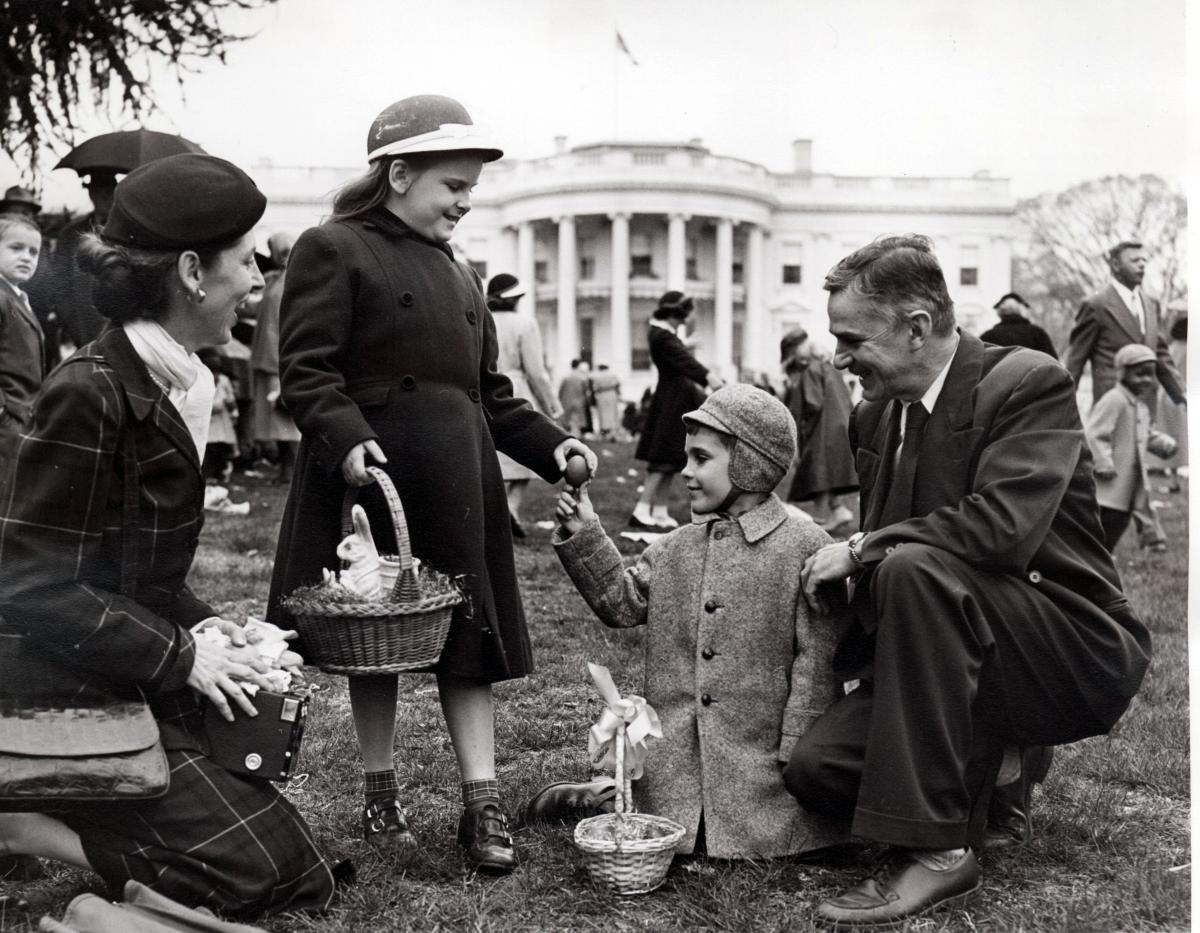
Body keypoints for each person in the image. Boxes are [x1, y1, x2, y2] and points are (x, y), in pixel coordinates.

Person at [266, 95, 595, 873]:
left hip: (457, 478)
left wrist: (557, 448)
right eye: (453, 183)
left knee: (468, 642)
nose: (466, 199)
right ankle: (380, 796)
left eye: (472, 186)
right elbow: (307, 373)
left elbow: (492, 393)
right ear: (400, 172)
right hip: (372, 482)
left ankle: (481, 802)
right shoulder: (333, 247)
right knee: (374, 638)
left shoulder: (461, 271)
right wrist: (348, 441)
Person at [0, 153, 335, 916]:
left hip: (121, 670)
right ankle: (27, 823)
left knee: (298, 865)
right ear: (191, 271)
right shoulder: (91, 389)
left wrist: (201, 621)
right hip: (62, 693)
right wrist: (184, 657)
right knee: (258, 872)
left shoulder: (167, 375)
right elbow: (30, 585)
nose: (257, 280)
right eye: (246, 261)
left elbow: (127, 565)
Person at [789, 235, 1151, 928]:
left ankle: (942, 847)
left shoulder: (1025, 381)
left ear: (918, 326)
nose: (838, 355)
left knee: (912, 565)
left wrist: (863, 547)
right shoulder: (875, 413)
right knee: (818, 769)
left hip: (1063, 642)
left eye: (850, 336)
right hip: (953, 643)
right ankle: (995, 772)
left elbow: (1000, 530)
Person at [530, 385, 843, 858]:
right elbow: (621, 603)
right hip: (674, 769)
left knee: (781, 835)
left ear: (749, 464)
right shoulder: (677, 547)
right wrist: (584, 534)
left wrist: (797, 758)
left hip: (764, 774)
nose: (686, 472)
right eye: (687, 458)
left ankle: (608, 793)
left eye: (701, 458)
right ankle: (610, 792)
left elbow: (816, 663)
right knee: (663, 817)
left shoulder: (806, 548)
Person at [631, 291, 723, 530]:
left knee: (671, 458)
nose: (686, 319)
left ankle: (659, 510)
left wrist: (685, 344)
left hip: (673, 398)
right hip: (671, 401)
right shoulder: (662, 336)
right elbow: (682, 359)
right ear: (677, 312)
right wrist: (709, 376)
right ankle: (642, 509)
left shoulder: (662, 334)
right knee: (662, 458)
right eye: (684, 314)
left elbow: (676, 352)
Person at [1064, 240, 1183, 411]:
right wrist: (1063, 404)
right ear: (1115, 265)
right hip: (1111, 405)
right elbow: (1076, 360)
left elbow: (1161, 355)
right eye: (1135, 261)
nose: (1142, 265)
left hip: (1147, 404)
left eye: (1144, 261)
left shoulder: (1151, 304)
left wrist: (1182, 394)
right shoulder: (1096, 305)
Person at [486, 272, 562, 538]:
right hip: (515, 390)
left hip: (484, 391)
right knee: (524, 455)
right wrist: (551, 404)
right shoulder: (524, 323)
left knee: (493, 457)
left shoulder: (482, 318)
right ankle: (512, 507)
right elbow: (536, 371)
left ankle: (497, 510)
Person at [1085, 344, 1176, 552]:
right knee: (1106, 521)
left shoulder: (1138, 405)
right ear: (1122, 372)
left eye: (1150, 375)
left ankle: (1105, 556)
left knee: (1121, 519)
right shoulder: (1113, 401)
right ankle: (1098, 557)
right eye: (1139, 374)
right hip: (1109, 482)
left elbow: (1145, 433)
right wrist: (1103, 462)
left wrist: (1164, 445)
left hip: (1128, 481)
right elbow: (1095, 433)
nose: (1146, 380)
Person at [779, 327, 857, 532]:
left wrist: (800, 426)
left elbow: (812, 403)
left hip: (824, 425)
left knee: (818, 469)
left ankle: (824, 514)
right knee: (826, 470)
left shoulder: (811, 369)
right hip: (838, 421)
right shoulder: (824, 364)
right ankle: (836, 510)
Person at [46, 170, 119, 350]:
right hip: (84, 325)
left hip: (124, 322)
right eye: (98, 192)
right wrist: (73, 323)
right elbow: (60, 282)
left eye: (109, 193)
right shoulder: (71, 234)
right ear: (90, 193)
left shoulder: (129, 230)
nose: (104, 198)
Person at [250, 232, 301, 484]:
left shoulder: (291, 284)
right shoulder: (275, 281)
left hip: (276, 358)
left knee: (283, 417)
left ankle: (290, 471)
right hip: (266, 357)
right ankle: (285, 470)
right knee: (274, 418)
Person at [0, 215, 45, 480]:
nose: (27, 257)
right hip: (8, 421)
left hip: (20, 419)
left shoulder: (17, 297)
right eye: (16, 248)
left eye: (34, 252)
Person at [1155, 310, 1187, 492]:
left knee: (1174, 438)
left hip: (1171, 398)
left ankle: (1174, 482)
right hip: (1185, 395)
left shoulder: (1174, 347)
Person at [199, 347, 239, 485]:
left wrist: (234, 412)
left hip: (221, 420)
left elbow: (230, 398)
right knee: (208, 449)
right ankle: (208, 475)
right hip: (207, 419)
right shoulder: (200, 378)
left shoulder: (224, 380)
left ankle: (221, 473)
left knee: (222, 448)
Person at [979, 292, 1057, 358]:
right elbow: (1053, 362)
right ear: (1022, 310)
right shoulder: (1038, 334)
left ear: (1000, 312)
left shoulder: (988, 336)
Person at [558, 358, 590, 437]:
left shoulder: (566, 376)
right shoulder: (582, 377)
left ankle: (567, 436)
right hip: (578, 400)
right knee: (577, 421)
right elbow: (585, 390)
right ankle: (576, 437)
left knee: (567, 420)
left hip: (566, 400)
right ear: (579, 365)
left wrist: (560, 399)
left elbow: (561, 390)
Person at [589, 364, 622, 439]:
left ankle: (605, 430)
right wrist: (618, 394)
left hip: (602, 394)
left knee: (603, 413)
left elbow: (594, 387)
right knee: (612, 413)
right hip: (611, 394)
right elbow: (617, 385)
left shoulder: (596, 375)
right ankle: (612, 430)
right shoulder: (612, 374)